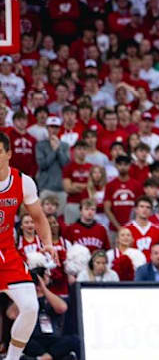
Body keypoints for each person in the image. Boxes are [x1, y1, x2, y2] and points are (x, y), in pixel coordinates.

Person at [0, 132, 56, 360]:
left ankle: (12, 359)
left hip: (7, 252)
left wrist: (48, 243)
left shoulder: (23, 182)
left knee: (31, 307)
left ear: (9, 154)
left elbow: (39, 217)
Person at [6, 267, 80, 360]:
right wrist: (26, 288)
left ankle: (45, 358)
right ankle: (49, 357)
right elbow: (11, 315)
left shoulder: (51, 296)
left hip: (53, 338)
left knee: (74, 339)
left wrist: (43, 288)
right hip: (33, 338)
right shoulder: (26, 298)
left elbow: (62, 308)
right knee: (19, 339)